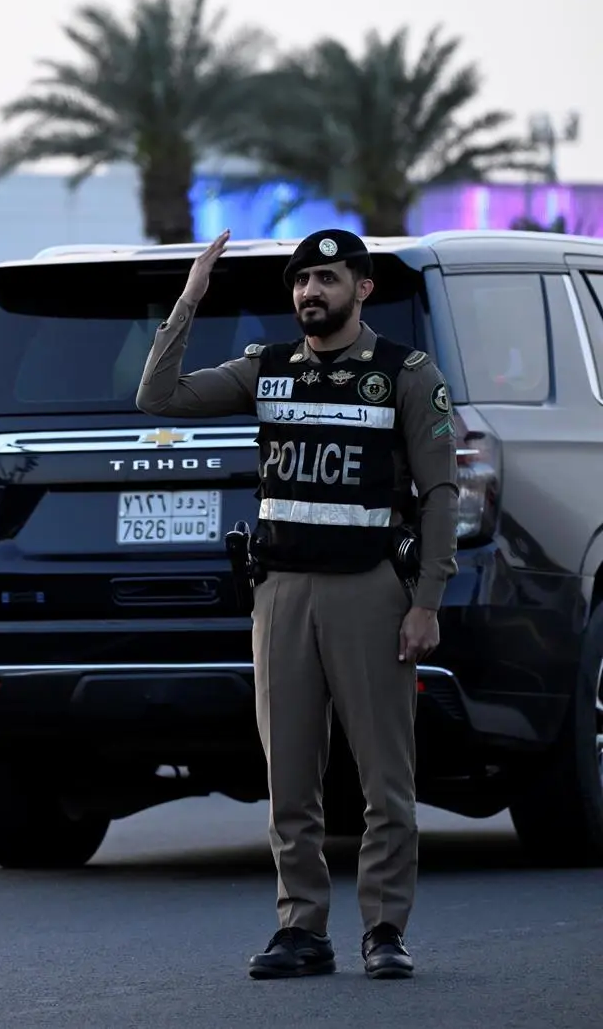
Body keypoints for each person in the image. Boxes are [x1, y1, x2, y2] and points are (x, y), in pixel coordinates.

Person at [134, 228, 460, 981]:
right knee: (289, 776)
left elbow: (442, 494)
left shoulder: (405, 374)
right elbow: (157, 397)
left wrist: (428, 601)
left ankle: (384, 928)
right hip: (280, 593)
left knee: (385, 777)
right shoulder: (267, 369)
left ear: (362, 288)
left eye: (326, 279)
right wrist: (190, 298)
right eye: (301, 282)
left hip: (371, 594)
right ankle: (301, 929)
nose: (310, 293)